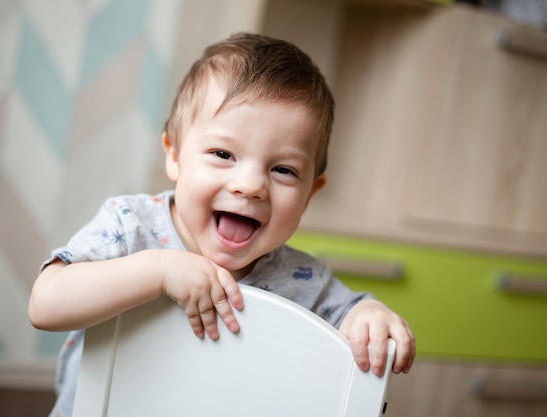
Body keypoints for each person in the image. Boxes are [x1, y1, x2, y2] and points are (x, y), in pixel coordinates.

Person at [29, 32, 415, 417]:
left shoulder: (301, 279)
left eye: (283, 170)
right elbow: (45, 305)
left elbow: (350, 314)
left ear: (311, 193)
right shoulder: (131, 226)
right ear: (175, 156)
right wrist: (159, 270)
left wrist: (370, 317)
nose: (249, 186)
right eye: (223, 154)